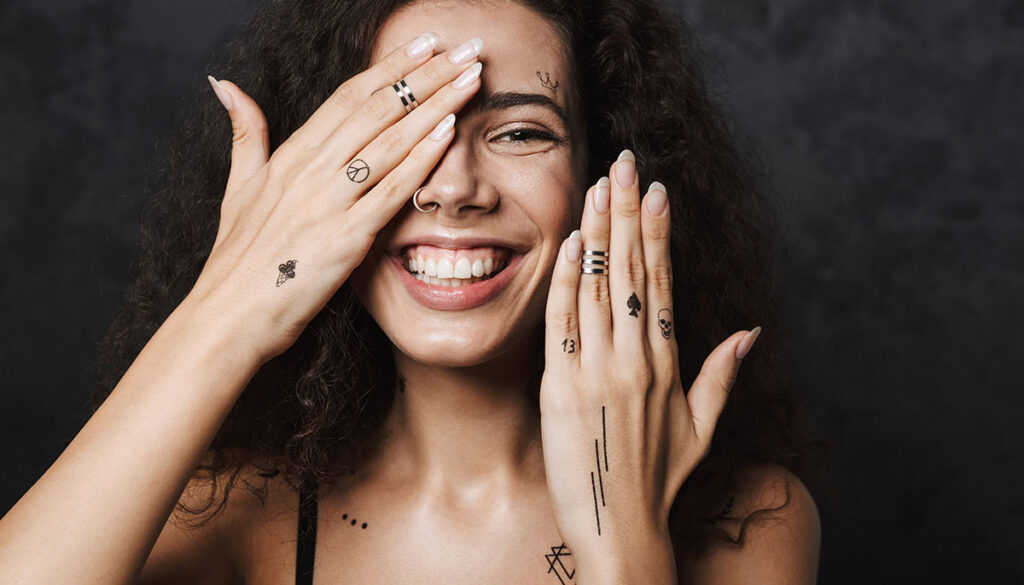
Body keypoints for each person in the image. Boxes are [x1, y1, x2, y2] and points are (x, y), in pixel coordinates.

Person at [0, 0, 828, 582]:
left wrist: (624, 540)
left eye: (520, 132)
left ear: (599, 175)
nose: (453, 188)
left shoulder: (747, 519)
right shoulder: (226, 507)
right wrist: (235, 301)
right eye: (404, 135)